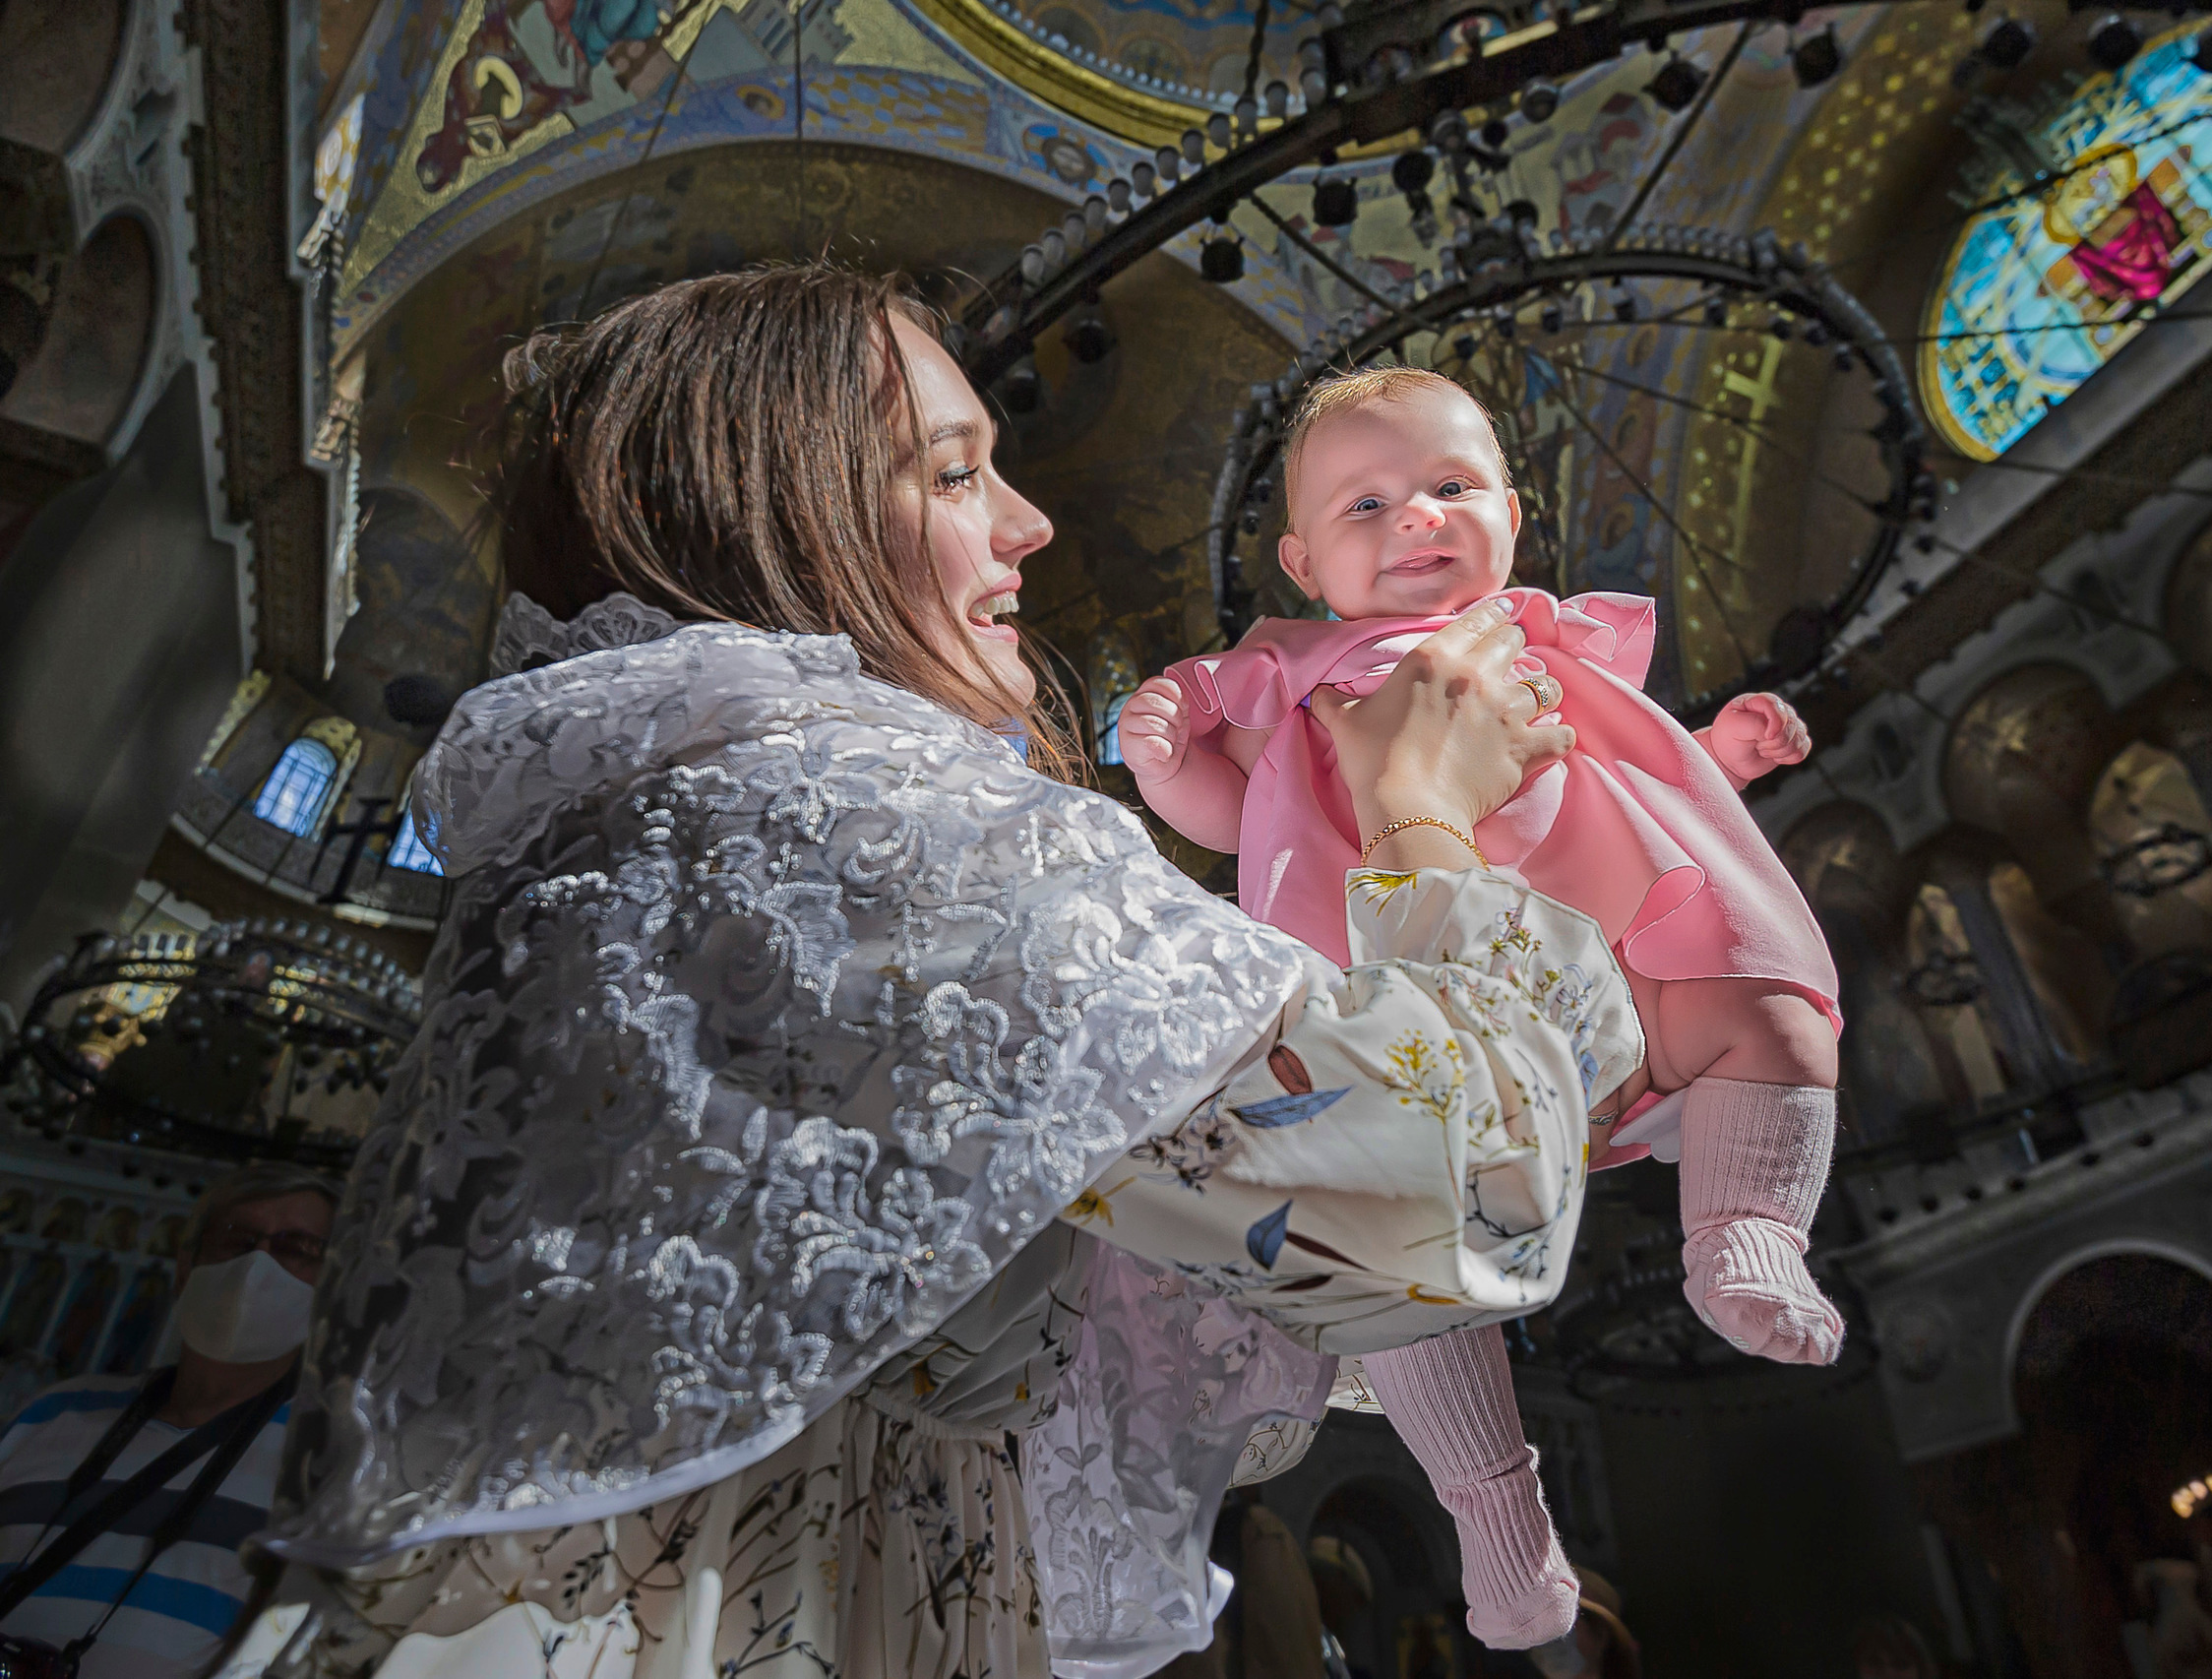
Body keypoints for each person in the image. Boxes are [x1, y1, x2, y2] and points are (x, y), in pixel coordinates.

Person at [215, 265, 1644, 1679]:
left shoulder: (672, 794)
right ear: (734, 508)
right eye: (954, 477)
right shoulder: (837, 811)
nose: (1029, 525)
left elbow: (1229, 1238)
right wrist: (1419, 814)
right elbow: (1477, 1174)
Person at [1116, 365, 1846, 1645]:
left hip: (1622, 958)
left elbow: (1652, 776)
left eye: (1452, 486)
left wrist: (1723, 751)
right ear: (1300, 561)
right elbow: (1235, 814)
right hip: (1417, 980)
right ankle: (1498, 1517)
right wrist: (1169, 751)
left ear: (1513, 506)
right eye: (1368, 505)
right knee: (1396, 1237)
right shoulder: (1298, 669)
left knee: (1770, 1008)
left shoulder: (1540, 645)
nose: (1417, 518)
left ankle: (1748, 1226)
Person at [0, 1165, 338, 1679]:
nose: (256, 1263)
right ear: (185, 1268)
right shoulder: (52, 1412)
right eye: (236, 1239)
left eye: (295, 1248)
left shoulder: (331, 1462)